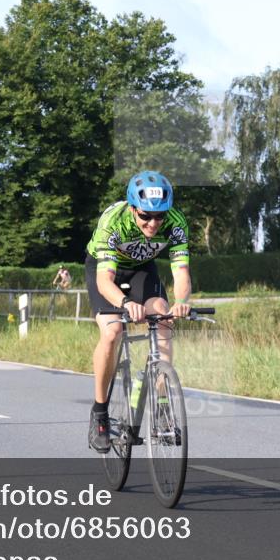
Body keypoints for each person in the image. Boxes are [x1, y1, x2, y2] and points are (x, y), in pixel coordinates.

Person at [84, 171, 191, 452]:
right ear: (133, 208)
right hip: (105, 270)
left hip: (143, 268)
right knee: (112, 332)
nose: (153, 223)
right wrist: (124, 303)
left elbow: (181, 272)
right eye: (145, 216)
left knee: (164, 317)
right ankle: (100, 413)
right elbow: (104, 281)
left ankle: (162, 405)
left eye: (159, 216)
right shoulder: (113, 222)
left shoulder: (176, 222)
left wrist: (181, 301)